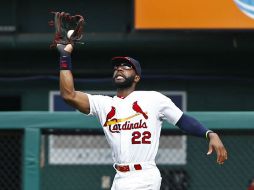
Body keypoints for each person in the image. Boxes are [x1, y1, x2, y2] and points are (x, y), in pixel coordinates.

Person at [57, 44, 228, 190]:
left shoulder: (153, 99)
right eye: (117, 66)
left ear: (137, 77)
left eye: (126, 66)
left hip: (144, 176)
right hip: (119, 178)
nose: (119, 68)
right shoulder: (103, 104)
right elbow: (68, 95)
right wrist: (65, 57)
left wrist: (209, 133)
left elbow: (182, 120)